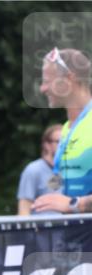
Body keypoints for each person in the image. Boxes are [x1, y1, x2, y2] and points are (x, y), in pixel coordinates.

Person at [33, 48, 92, 215]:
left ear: (69, 79)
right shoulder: (67, 128)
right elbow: (61, 180)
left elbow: (70, 202)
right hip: (73, 237)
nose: (43, 89)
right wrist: (38, 177)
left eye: (47, 81)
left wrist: (75, 204)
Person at [17, 124, 62, 216]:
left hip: (70, 229)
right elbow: (24, 209)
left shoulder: (72, 170)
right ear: (47, 145)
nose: (64, 145)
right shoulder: (33, 170)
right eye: (59, 141)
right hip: (42, 229)